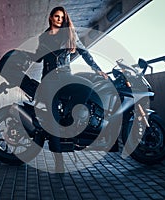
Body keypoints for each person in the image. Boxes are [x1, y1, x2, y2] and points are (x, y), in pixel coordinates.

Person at [27, 6, 108, 172]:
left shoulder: (69, 35)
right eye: (56, 16)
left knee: (87, 88)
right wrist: (35, 53)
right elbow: (38, 59)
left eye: (62, 17)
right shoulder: (44, 37)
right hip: (49, 80)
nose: (59, 19)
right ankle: (59, 162)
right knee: (53, 122)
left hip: (65, 76)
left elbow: (85, 53)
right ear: (50, 18)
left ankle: (71, 119)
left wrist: (97, 68)